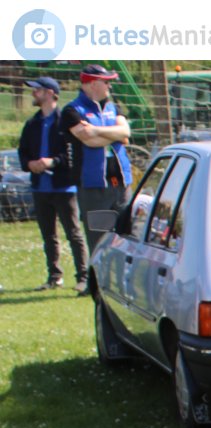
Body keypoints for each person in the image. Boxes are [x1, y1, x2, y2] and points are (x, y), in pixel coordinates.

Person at [58, 64, 132, 293]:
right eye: (105, 81)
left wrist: (97, 131)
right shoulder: (72, 111)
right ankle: (100, 286)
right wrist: (112, 134)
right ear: (91, 84)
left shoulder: (114, 106)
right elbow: (89, 140)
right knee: (100, 238)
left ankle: (123, 286)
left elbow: (125, 133)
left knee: (126, 236)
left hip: (121, 182)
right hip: (94, 185)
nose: (110, 85)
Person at [17, 75, 87, 291]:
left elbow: (73, 153)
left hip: (64, 187)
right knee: (48, 235)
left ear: (49, 93)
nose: (33, 93)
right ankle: (54, 276)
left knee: (73, 234)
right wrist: (30, 164)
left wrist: (53, 162)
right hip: (40, 187)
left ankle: (83, 277)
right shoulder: (32, 124)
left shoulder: (65, 121)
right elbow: (23, 152)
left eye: (37, 90)